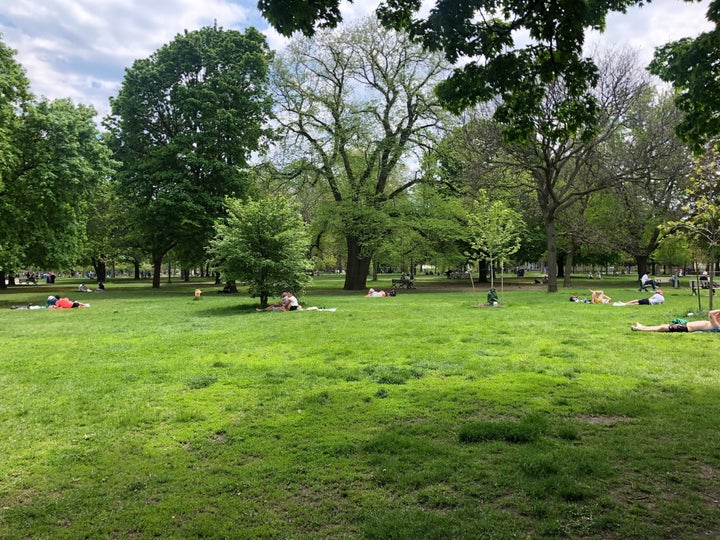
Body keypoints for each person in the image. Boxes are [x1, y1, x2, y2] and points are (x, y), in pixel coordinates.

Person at [632, 310, 720, 332]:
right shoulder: (714, 324)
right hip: (685, 325)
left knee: (662, 328)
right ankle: (643, 327)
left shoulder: (716, 325)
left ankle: (640, 329)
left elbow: (711, 313)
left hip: (685, 328)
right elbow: (713, 315)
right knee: (663, 325)